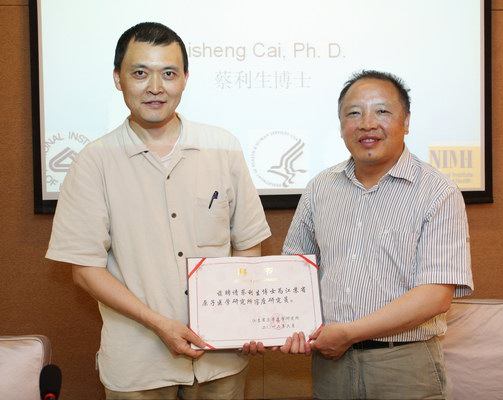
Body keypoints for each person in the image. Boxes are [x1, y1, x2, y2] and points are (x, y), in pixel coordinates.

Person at [45, 22, 271, 399]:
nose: (155, 87)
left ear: (184, 79)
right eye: (140, 73)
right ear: (118, 79)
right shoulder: (93, 162)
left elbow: (247, 245)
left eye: (168, 73)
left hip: (220, 359)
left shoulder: (223, 147)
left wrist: (243, 319)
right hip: (139, 365)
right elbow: (85, 270)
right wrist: (158, 324)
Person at [281, 70, 473, 399]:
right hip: (331, 364)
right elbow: (294, 273)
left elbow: (435, 295)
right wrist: (274, 326)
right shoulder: (320, 188)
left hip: (404, 364)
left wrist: (349, 333)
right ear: (341, 124)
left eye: (382, 111)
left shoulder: (438, 191)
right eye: (354, 113)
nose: (367, 124)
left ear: (406, 121)